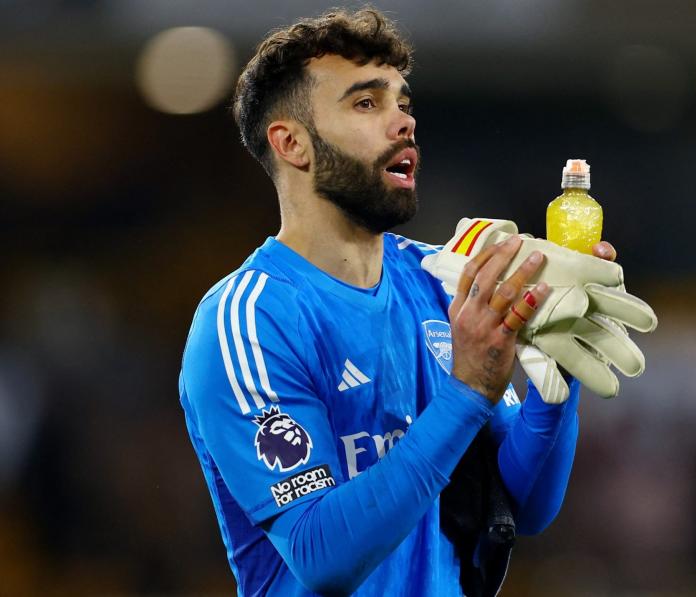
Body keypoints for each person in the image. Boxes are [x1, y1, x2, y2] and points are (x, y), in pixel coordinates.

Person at [179, 8, 618, 596]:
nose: (403, 124)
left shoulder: (445, 280)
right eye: (367, 104)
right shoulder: (250, 319)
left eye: (402, 103)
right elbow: (320, 554)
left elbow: (525, 506)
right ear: (292, 144)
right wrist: (467, 391)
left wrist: (555, 377)